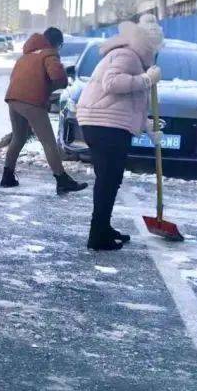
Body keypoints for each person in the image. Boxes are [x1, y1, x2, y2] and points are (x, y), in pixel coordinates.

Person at [76, 15, 164, 251]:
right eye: (154, 48)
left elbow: (129, 104)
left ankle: (103, 227)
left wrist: (148, 127)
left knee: (111, 179)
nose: (155, 53)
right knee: (107, 180)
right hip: (104, 126)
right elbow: (111, 84)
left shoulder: (130, 56)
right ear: (146, 44)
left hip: (106, 124)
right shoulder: (127, 55)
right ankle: (97, 236)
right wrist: (146, 79)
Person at [1, 27, 88, 195]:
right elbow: (59, 78)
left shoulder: (26, 55)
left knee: (18, 138)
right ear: (57, 44)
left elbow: (16, 78)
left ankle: (7, 176)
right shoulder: (49, 54)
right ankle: (62, 180)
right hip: (31, 101)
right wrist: (50, 89)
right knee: (48, 142)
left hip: (13, 99)